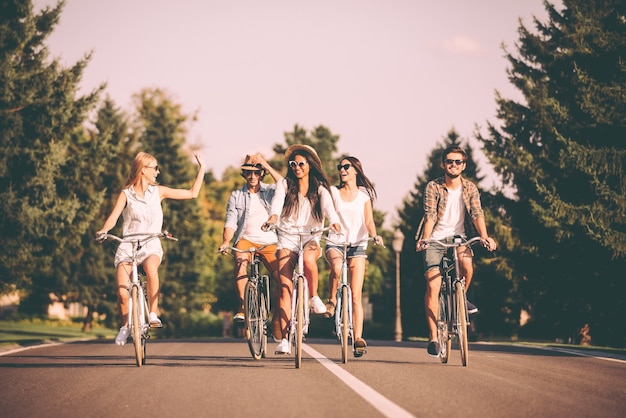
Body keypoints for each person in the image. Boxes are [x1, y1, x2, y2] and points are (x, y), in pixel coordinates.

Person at [96, 151, 205, 346]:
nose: (158, 171)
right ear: (143, 170)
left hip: (150, 242)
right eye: (154, 168)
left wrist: (202, 169)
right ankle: (125, 327)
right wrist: (104, 230)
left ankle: (153, 313)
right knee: (122, 293)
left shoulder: (158, 191)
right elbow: (113, 217)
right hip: (128, 244)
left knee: (151, 269)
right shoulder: (126, 194)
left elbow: (192, 193)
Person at [415, 145, 496, 357]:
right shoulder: (433, 187)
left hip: (460, 237)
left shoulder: (470, 189)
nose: (453, 165)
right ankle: (434, 338)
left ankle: (462, 297)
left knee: (467, 264)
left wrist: (485, 236)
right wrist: (425, 239)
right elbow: (430, 214)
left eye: (458, 161)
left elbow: (477, 213)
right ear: (443, 164)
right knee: (434, 285)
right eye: (449, 161)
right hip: (435, 239)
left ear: (464, 165)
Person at [263, 144, 341, 355]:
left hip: (311, 236)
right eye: (293, 164)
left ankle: (314, 297)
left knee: (308, 261)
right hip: (287, 237)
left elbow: (329, 209)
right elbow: (277, 204)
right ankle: (286, 339)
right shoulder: (284, 184)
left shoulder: (321, 189)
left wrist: (334, 222)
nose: (296, 167)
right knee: (285, 286)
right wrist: (273, 217)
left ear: (310, 165)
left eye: (301, 164)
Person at [324, 156, 383, 358]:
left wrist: (374, 235)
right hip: (335, 243)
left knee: (356, 295)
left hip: (358, 245)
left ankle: (358, 338)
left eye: (346, 166)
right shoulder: (333, 192)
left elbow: (368, 220)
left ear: (356, 170)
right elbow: (326, 212)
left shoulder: (364, 196)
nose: (342, 169)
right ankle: (331, 300)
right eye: (340, 167)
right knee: (337, 267)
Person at [218, 154, 281, 336]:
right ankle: (244, 306)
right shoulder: (237, 195)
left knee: (282, 279)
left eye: (256, 172)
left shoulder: (270, 191)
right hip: (246, 239)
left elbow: (284, 184)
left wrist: (267, 165)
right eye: (248, 173)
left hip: (269, 241)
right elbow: (230, 222)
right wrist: (226, 242)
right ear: (244, 174)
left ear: (262, 173)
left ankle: (276, 316)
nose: (252, 176)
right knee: (240, 263)